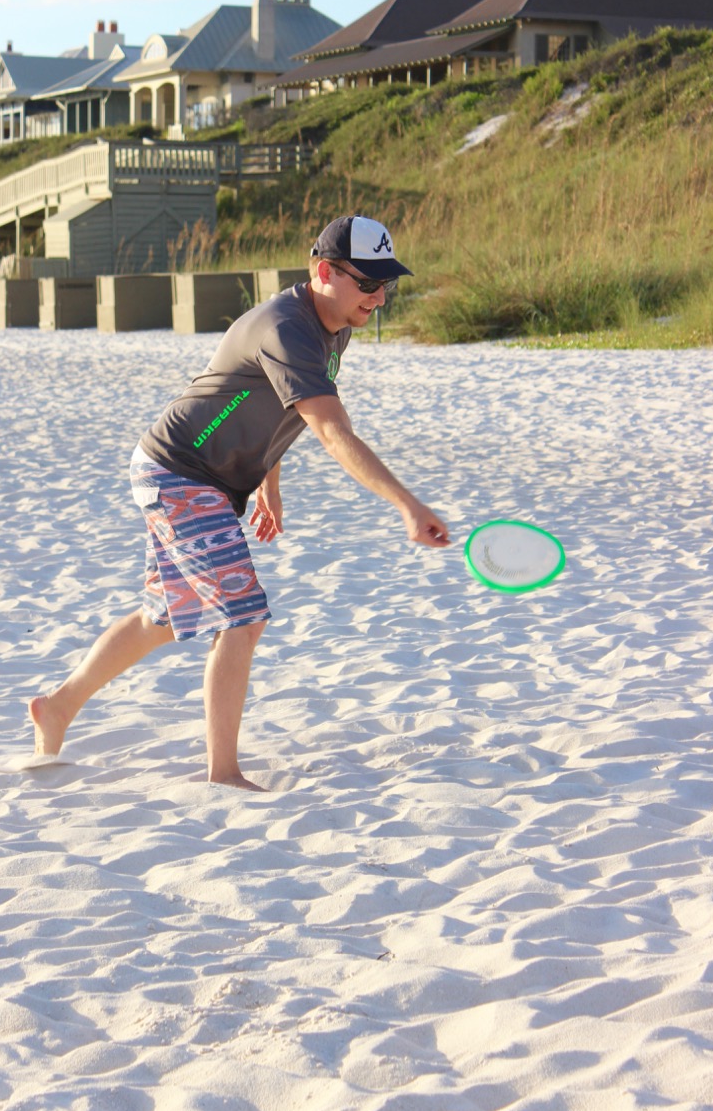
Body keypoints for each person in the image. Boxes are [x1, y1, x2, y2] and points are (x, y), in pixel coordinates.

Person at [29, 215, 450, 789]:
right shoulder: (288, 328)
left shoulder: (334, 323)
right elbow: (331, 431)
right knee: (243, 616)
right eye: (368, 283)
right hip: (180, 472)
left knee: (162, 616)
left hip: (195, 475)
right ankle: (223, 773)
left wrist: (268, 482)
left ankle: (56, 707)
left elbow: (277, 403)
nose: (378, 298)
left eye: (387, 284)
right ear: (325, 271)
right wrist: (406, 504)